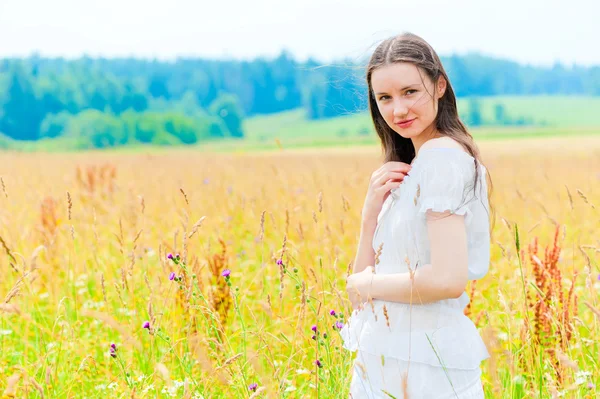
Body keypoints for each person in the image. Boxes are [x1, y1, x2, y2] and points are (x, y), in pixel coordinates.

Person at [341, 32, 495, 398]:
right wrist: (369, 218)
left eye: (410, 92)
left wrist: (367, 284)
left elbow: (446, 279)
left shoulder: (442, 158)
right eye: (385, 98)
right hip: (385, 357)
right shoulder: (415, 166)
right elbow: (358, 295)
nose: (398, 110)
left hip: (423, 364)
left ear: (439, 85)